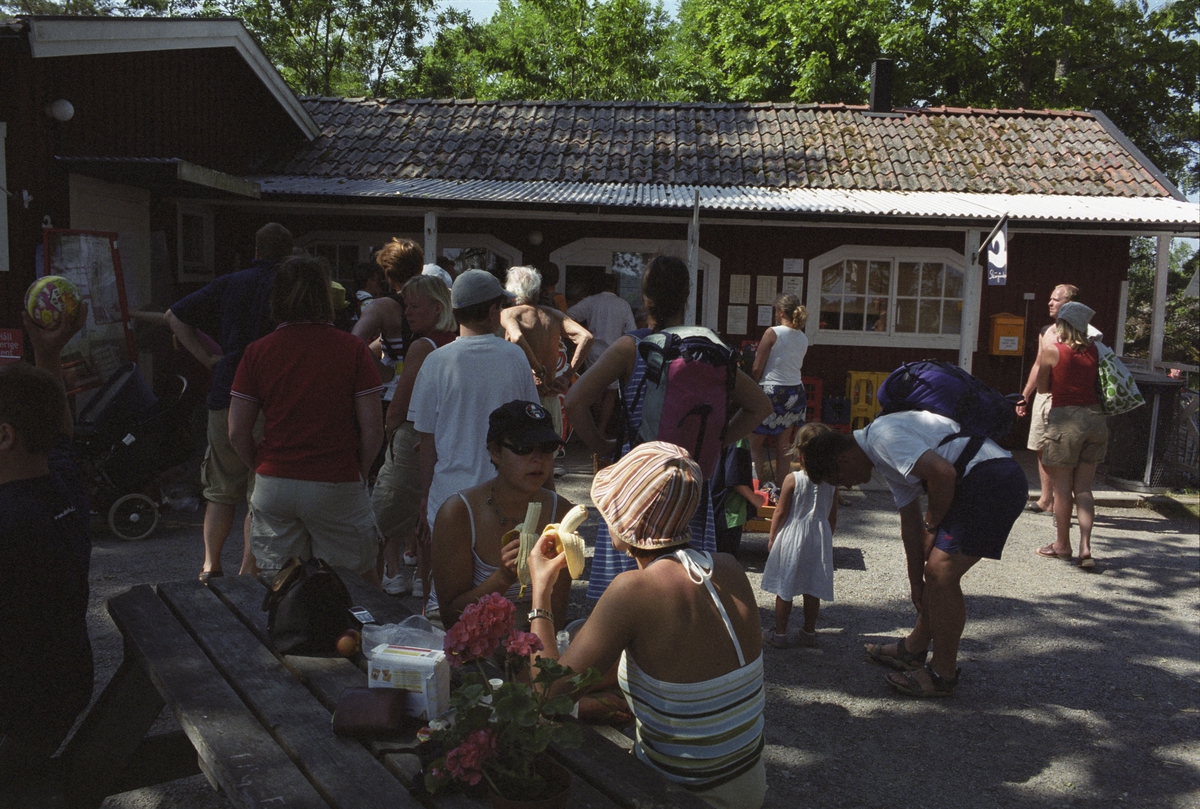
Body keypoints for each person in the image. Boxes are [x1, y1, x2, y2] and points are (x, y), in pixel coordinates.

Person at [525, 442, 766, 809]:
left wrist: (541, 590)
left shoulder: (633, 591)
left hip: (682, 796)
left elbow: (547, 694)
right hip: (748, 786)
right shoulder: (728, 567)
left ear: (626, 520)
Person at [564, 255, 771, 601]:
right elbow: (760, 406)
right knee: (685, 586)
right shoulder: (709, 350)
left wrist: (602, 446)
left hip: (637, 479)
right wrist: (716, 442)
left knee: (625, 592)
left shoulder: (630, 347)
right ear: (687, 296)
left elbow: (574, 402)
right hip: (689, 481)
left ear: (645, 298)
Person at [801, 405, 1027, 697]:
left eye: (839, 480)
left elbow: (943, 474)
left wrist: (931, 527)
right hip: (976, 481)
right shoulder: (880, 455)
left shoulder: (883, 438)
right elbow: (910, 524)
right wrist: (915, 583)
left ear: (842, 460)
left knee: (941, 574)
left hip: (991, 479)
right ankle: (913, 649)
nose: (847, 485)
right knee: (932, 573)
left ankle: (942, 674)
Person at [228, 256, 385, 579]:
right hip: (335, 478)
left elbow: (236, 432)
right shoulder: (353, 349)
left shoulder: (257, 351)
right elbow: (372, 429)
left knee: (283, 583)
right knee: (356, 582)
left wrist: (261, 466)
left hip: (275, 483)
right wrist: (360, 470)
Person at [0, 303, 92, 806]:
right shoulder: (62, 486)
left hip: (18, 722)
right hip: (62, 695)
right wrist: (46, 353)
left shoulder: (9, 524)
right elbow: (59, 435)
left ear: (5, 435)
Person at [165, 222, 293, 582]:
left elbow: (174, 316)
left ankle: (210, 565)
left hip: (228, 387)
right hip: (273, 394)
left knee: (220, 488)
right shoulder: (290, 285)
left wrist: (206, 358)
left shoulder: (231, 282)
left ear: (256, 250)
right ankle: (247, 570)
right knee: (259, 490)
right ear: (288, 254)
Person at [408, 269, 540, 568]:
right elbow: (532, 426)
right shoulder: (515, 357)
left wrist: (425, 499)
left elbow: (426, 442)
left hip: (447, 497)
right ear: (493, 312)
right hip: (503, 497)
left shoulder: (435, 361)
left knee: (447, 589)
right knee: (497, 588)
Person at [431, 400, 573, 628]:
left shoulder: (561, 513)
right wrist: (503, 577)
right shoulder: (458, 513)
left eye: (547, 448)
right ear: (495, 452)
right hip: (470, 636)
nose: (537, 459)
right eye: (524, 448)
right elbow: (451, 617)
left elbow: (557, 615)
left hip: (534, 632)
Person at [373, 275, 456, 598]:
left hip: (413, 433)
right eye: (406, 306)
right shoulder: (456, 341)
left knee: (384, 510)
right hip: (445, 434)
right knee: (430, 509)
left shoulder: (423, 346)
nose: (407, 313)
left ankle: (392, 573)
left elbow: (400, 403)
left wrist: (388, 431)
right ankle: (424, 576)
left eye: (415, 306)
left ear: (437, 308)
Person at [1035, 302, 1107, 568]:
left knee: (1062, 490)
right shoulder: (1095, 351)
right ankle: (1085, 548)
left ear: (1064, 325)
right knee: (1084, 489)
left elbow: (1042, 388)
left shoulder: (1053, 351)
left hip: (1066, 420)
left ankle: (1062, 545)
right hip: (1095, 419)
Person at [761, 424, 838, 649]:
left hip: (792, 536)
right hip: (818, 537)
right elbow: (832, 516)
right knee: (812, 587)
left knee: (785, 586)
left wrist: (773, 537)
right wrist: (827, 538)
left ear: (799, 452)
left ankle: (780, 633)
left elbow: (781, 512)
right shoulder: (833, 483)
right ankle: (809, 631)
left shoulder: (792, 479)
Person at [502, 265, 593, 439]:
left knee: (518, 449)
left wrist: (537, 371)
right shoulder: (554, 315)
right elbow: (586, 337)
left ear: (512, 291)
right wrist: (567, 376)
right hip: (549, 396)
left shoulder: (509, 314)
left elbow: (517, 337)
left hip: (521, 398)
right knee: (548, 451)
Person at [1016, 284, 1079, 514]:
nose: (1050, 303)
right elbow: (1038, 364)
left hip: (1066, 399)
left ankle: (1062, 504)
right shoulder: (1046, 331)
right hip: (1044, 395)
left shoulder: (1082, 333)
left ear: (1069, 304)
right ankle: (1046, 500)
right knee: (1040, 446)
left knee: (1060, 452)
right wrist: (1025, 395)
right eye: (1051, 299)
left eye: (1056, 300)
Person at [749, 293, 809, 500]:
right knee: (783, 447)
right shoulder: (802, 337)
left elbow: (757, 367)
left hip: (772, 390)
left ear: (781, 312)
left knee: (753, 445)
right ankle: (783, 494)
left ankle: (756, 492)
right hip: (795, 392)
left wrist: (751, 388)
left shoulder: (772, 333)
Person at [353, 237, 424, 412]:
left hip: (395, 393)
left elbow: (354, 342)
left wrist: (384, 373)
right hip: (427, 390)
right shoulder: (436, 303)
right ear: (420, 269)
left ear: (388, 275)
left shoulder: (382, 307)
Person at [567, 274, 637, 437]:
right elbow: (632, 330)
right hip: (615, 351)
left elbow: (568, 314)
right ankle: (602, 428)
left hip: (593, 350)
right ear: (614, 286)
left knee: (595, 389)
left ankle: (595, 425)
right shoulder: (623, 304)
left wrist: (582, 331)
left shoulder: (591, 301)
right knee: (611, 392)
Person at [709, 437, 761, 559]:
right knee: (725, 559)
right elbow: (736, 480)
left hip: (712, 505)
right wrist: (755, 500)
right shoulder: (739, 440)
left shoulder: (717, 433)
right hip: (729, 512)